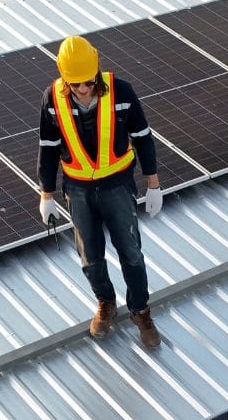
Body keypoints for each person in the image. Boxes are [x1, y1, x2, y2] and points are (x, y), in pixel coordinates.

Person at [38, 35, 164, 349]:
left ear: (96, 71)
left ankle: (140, 311)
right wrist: (46, 194)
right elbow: (48, 148)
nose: (82, 89)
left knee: (131, 253)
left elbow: (143, 138)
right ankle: (105, 303)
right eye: (75, 84)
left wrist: (153, 185)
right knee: (90, 257)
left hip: (117, 187)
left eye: (87, 82)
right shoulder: (52, 99)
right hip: (78, 190)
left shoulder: (121, 91)